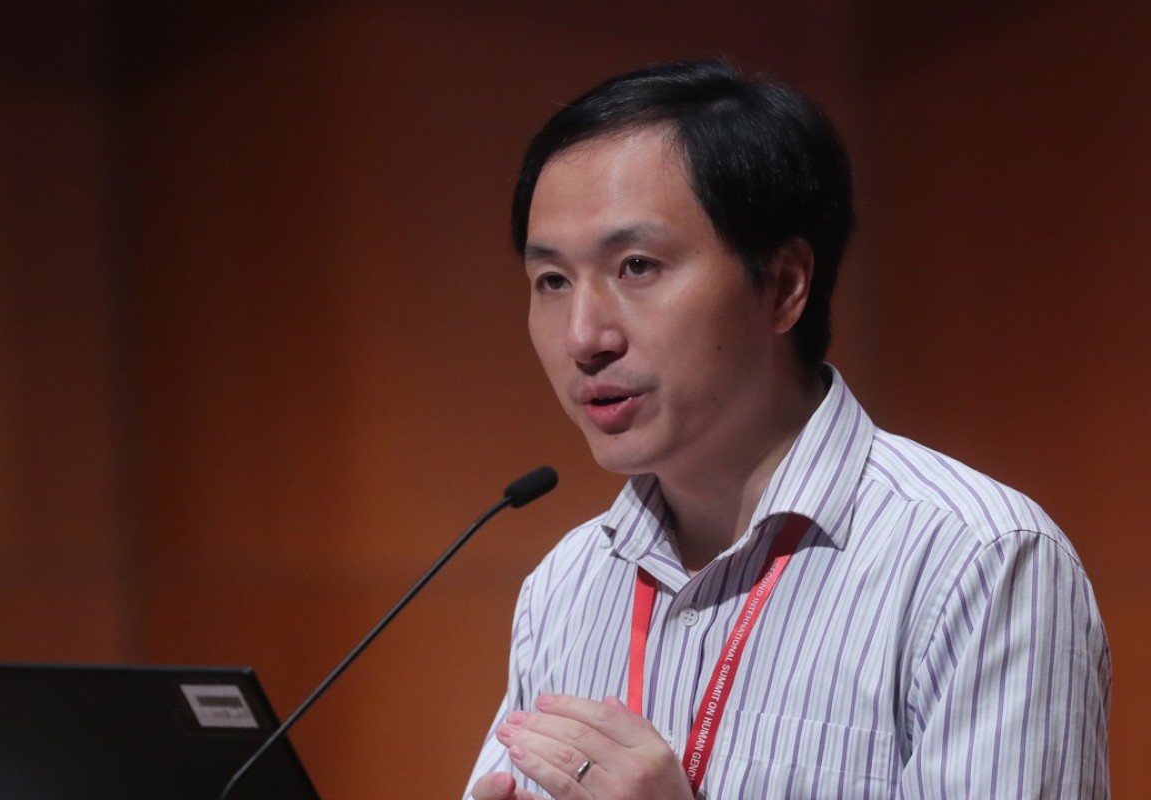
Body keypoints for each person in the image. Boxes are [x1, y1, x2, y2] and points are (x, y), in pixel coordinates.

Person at [466, 60, 1110, 799]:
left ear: (782, 286)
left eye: (637, 266)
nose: (584, 336)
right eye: (551, 281)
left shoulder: (977, 562)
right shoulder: (567, 584)